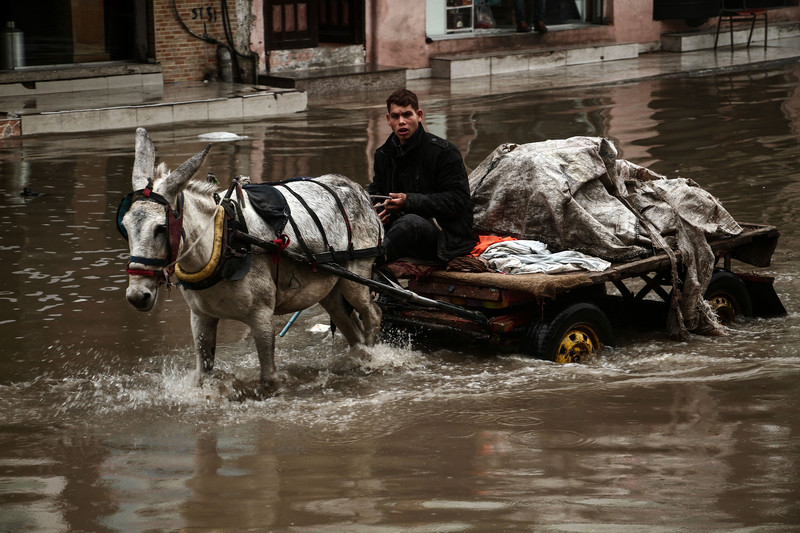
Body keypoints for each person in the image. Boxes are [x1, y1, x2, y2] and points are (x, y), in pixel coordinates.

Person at [369, 89, 476, 264]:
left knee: (409, 223)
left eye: (407, 115)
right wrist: (376, 211)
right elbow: (376, 191)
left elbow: (459, 200)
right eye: (395, 117)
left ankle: (372, 263)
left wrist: (409, 201)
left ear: (419, 115)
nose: (401, 122)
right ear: (388, 120)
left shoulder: (444, 153)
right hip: (397, 229)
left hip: (443, 237)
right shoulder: (383, 154)